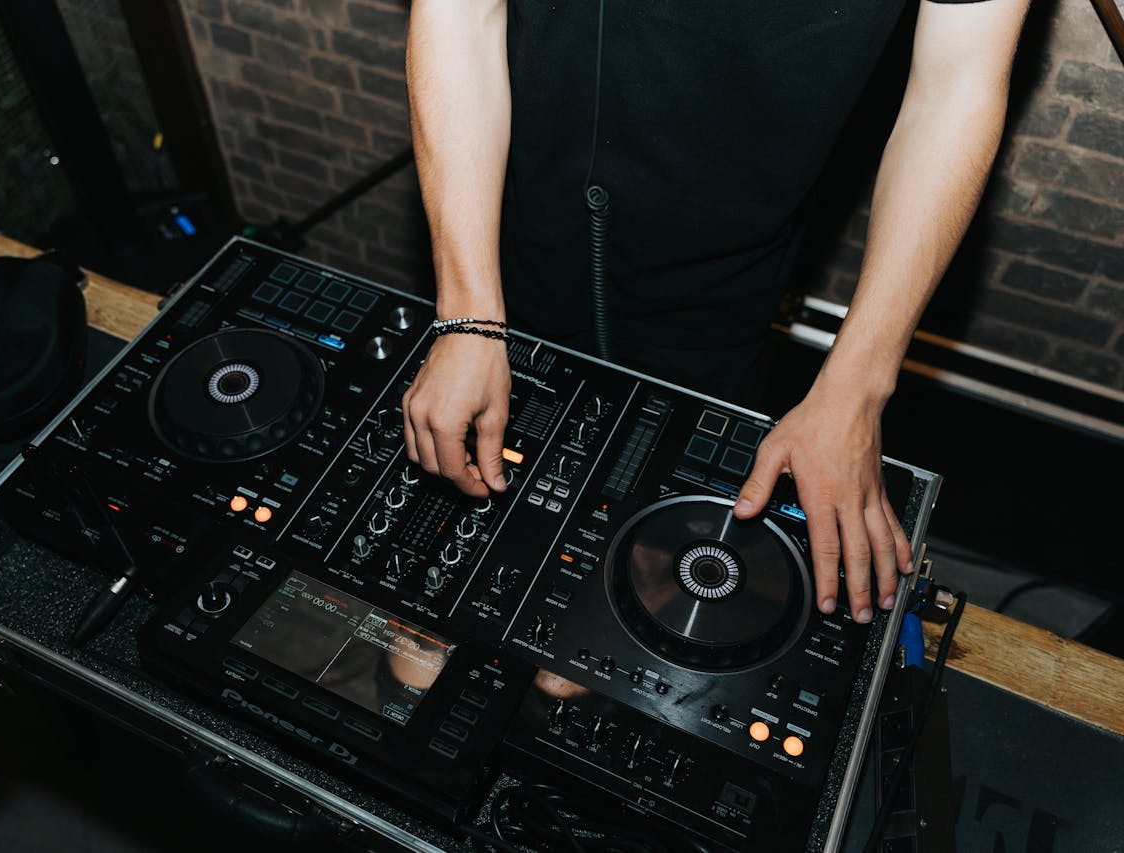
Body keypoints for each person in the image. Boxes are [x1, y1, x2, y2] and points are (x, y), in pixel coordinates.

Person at [400, 0, 1029, 624]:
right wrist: (467, 314)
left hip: (725, 291)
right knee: (421, 640)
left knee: (614, 632)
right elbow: (460, 12)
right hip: (508, 242)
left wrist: (856, 390)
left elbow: (956, 89)